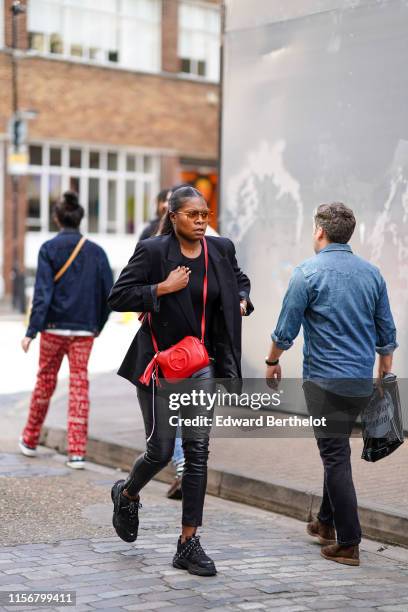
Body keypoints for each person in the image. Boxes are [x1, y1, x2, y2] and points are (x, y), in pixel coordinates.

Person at [108, 185, 253, 576]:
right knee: (160, 450)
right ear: (173, 217)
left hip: (201, 363)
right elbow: (118, 296)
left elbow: (240, 280)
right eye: (193, 215)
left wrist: (240, 299)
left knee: (198, 451)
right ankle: (127, 493)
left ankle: (188, 542)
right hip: (160, 363)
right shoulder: (154, 252)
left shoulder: (220, 249)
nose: (202, 220)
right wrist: (161, 288)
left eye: (205, 214)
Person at [265, 202, 397, 567]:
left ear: (319, 231)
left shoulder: (307, 273)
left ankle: (349, 542)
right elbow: (386, 332)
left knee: (336, 457)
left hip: (325, 384)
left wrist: (272, 361)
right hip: (359, 385)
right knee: (336, 449)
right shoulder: (372, 274)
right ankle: (325, 523)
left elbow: (285, 330)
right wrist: (385, 374)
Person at [19, 191, 113, 469]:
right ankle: (76, 452)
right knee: (79, 386)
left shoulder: (48, 249)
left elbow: (43, 294)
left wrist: (31, 331)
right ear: (80, 218)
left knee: (45, 381)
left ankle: (30, 438)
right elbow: (109, 294)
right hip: (84, 331)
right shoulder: (97, 252)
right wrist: (97, 326)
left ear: (57, 218)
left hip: (53, 329)